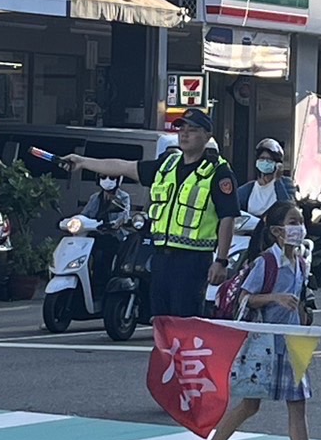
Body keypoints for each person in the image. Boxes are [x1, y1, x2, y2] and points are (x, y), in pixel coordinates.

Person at [192, 201, 321, 440]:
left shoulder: (300, 262)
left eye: (300, 222)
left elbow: (299, 299)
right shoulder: (266, 262)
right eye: (292, 222)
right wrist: (275, 298)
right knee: (250, 404)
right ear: (276, 231)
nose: (299, 228)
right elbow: (244, 298)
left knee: (297, 404)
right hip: (265, 345)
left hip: (291, 344)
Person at [61, 107, 237, 319]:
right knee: (160, 320)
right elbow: (123, 166)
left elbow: (228, 217)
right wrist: (83, 162)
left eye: (192, 130)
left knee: (185, 320)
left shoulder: (218, 172)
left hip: (193, 260)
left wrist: (221, 261)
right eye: (181, 129)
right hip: (161, 257)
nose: (185, 134)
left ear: (207, 136)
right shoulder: (167, 165)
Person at [239, 138, 295, 217]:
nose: (265, 162)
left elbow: (288, 208)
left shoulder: (286, 184)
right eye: (262, 158)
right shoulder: (247, 190)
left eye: (269, 159)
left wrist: (278, 180)